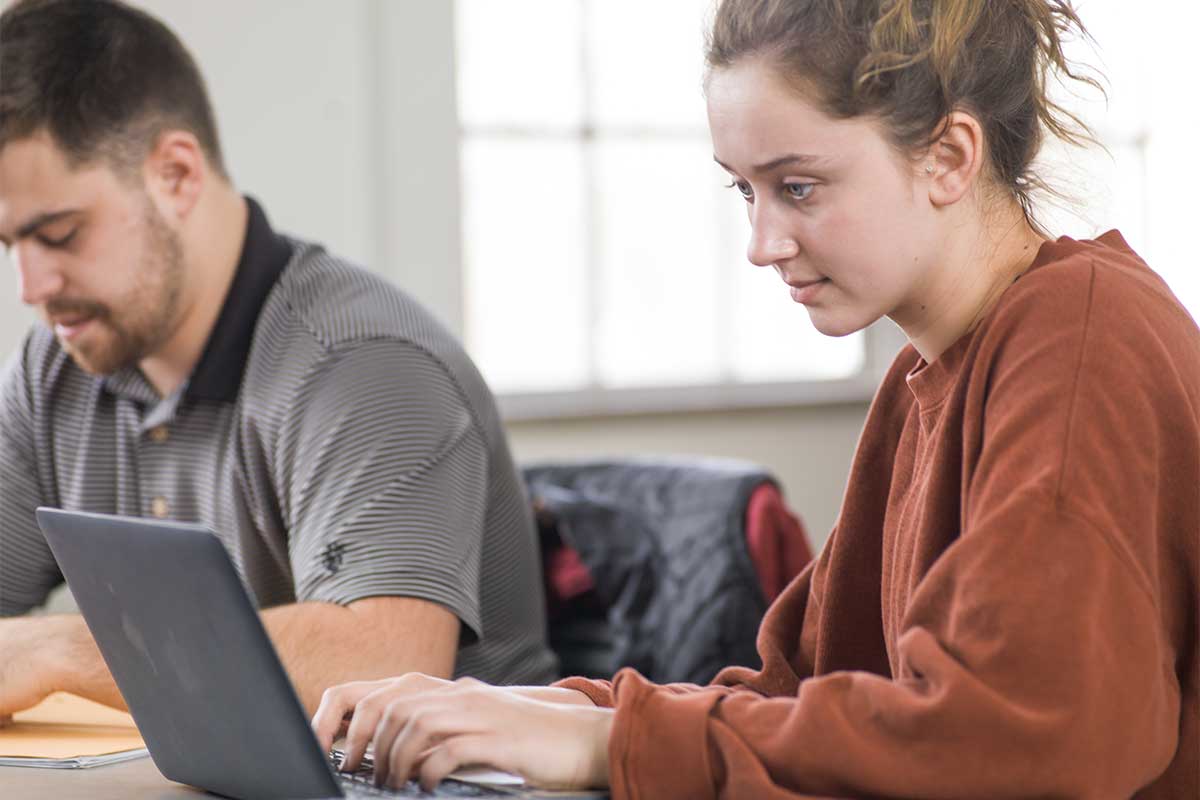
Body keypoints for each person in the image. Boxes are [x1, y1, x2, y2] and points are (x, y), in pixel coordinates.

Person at [311, 0, 1200, 796]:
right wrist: (521, 713)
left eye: (798, 187)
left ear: (949, 156)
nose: (762, 242)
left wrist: (605, 744)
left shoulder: (1081, 340)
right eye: (745, 190)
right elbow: (803, 695)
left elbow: (1029, 743)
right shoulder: (923, 375)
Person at [0, 0, 557, 723]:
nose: (31, 289)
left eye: (62, 234)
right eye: (10, 245)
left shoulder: (364, 365)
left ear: (175, 175)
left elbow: (378, 666)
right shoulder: (55, 370)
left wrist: (58, 653)